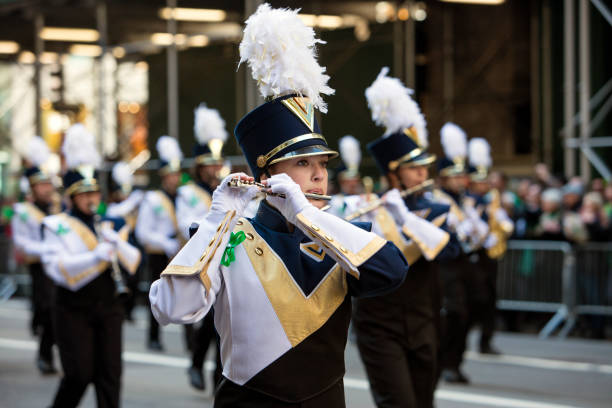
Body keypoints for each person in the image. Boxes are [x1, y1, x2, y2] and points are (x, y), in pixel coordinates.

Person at [149, 5, 409, 407]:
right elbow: (172, 309)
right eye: (303, 163)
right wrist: (219, 219)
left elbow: (391, 272)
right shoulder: (229, 233)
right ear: (268, 175)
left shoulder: (337, 234)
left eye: (322, 163)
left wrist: (304, 213)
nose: (319, 174)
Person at [349, 67, 460, 408]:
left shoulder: (436, 209)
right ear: (393, 173)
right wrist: (381, 214)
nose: (423, 174)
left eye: (425, 168)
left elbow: (450, 250)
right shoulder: (364, 209)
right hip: (378, 324)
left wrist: (405, 217)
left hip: (424, 321)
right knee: (398, 403)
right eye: (415, 169)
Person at [41, 124, 141, 408]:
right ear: (71, 196)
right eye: (83, 193)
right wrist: (96, 256)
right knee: (79, 374)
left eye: (94, 192)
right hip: (73, 308)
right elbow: (59, 270)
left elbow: (134, 264)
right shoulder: (56, 225)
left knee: (110, 377)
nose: (91, 198)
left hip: (109, 307)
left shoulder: (112, 224)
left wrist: (117, 244)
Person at [432, 122, 488, 384]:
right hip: (447, 263)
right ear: (443, 178)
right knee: (454, 312)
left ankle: (456, 359)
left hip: (467, 260)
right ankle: (447, 361)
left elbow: (479, 235)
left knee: (477, 305)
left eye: (460, 175)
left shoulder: (465, 200)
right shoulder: (437, 199)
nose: (459, 180)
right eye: (454, 176)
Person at [175, 103, 226, 391]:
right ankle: (196, 365)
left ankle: (219, 378)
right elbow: (185, 224)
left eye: (217, 163)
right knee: (207, 321)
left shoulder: (225, 189)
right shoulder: (187, 193)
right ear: (198, 166)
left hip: (223, 261)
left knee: (222, 322)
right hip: (198, 260)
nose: (215, 169)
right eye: (209, 164)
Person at [11, 135, 60, 374]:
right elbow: (21, 241)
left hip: (60, 265)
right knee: (46, 308)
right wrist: (44, 249)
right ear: (32, 187)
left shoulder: (58, 207)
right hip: (39, 265)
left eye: (48, 184)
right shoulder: (23, 211)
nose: (46, 188)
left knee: (57, 310)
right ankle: (44, 356)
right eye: (41, 185)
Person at [466, 137, 514, 355]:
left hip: (489, 257)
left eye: (486, 182)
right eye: (480, 182)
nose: (484, 185)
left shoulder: (491, 200)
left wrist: (502, 228)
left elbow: (504, 222)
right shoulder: (467, 202)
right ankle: (462, 341)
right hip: (472, 256)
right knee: (473, 300)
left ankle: (486, 339)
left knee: (490, 299)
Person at [135, 136, 183, 351]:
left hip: (181, 252)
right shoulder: (153, 199)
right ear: (164, 176)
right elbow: (142, 231)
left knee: (186, 295)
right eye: (171, 174)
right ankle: (153, 337)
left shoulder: (186, 197)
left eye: (177, 174)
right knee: (157, 297)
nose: (174, 178)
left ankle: (190, 341)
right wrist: (165, 243)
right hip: (159, 254)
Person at [106, 161, 145, 321]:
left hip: (134, 245)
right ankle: (121, 309)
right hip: (119, 248)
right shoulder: (113, 207)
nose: (125, 194)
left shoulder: (133, 205)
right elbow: (117, 212)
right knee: (123, 279)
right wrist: (133, 201)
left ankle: (129, 310)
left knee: (135, 280)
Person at [328, 135, 363, 218]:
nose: (353, 184)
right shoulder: (335, 201)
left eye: (356, 180)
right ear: (341, 182)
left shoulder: (365, 199)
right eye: (348, 181)